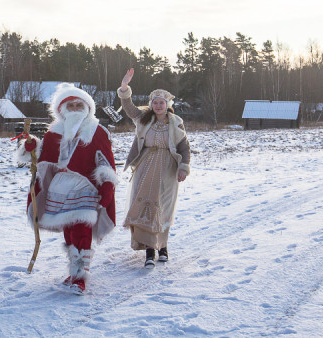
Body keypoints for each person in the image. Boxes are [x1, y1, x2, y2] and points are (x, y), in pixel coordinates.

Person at [16, 83, 118, 294]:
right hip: (60, 187)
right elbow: (42, 156)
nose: (74, 108)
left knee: (82, 230)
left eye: (78, 104)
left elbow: (106, 162)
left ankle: (81, 278)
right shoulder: (54, 131)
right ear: (62, 109)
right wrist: (30, 147)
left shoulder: (97, 131)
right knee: (69, 232)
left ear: (87, 107)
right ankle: (74, 272)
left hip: (86, 187)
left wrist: (107, 186)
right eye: (69, 105)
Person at [117, 68, 191, 268]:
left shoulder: (176, 123)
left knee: (163, 207)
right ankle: (149, 250)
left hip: (168, 169)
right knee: (145, 206)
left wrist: (183, 168)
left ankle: (163, 247)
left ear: (167, 105)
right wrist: (125, 87)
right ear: (151, 105)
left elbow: (184, 147)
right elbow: (129, 107)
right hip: (146, 165)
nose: (158, 106)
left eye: (162, 103)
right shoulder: (143, 118)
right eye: (155, 103)